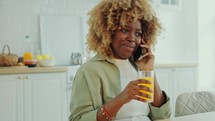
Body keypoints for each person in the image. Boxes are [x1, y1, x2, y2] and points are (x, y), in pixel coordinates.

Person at [69, 0, 171, 121]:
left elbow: (162, 116)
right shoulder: (89, 70)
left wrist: (149, 71)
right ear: (109, 31)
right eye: (125, 30)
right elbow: (78, 119)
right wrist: (121, 99)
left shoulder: (138, 65)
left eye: (138, 33)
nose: (132, 38)